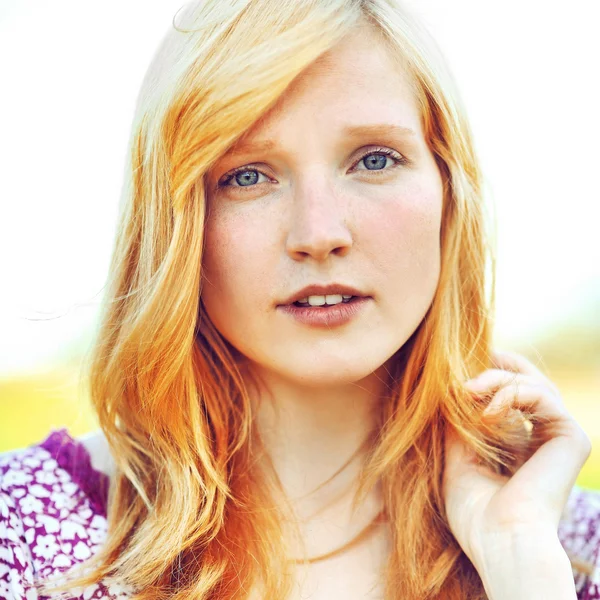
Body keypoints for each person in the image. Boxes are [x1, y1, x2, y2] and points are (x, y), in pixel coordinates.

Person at [1, 1, 599, 599]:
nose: (318, 233)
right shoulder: (23, 536)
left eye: (374, 160)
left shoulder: (574, 550)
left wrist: (522, 562)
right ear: (178, 220)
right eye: (247, 175)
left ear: (448, 190)